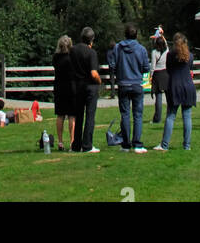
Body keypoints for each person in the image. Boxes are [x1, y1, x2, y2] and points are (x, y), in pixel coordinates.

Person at [154, 33, 197, 151]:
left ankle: (164, 144)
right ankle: (187, 145)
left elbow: (168, 69)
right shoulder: (190, 56)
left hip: (175, 86)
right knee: (187, 116)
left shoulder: (170, 55)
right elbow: (190, 68)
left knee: (171, 115)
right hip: (188, 86)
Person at [110, 24, 150, 153]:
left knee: (125, 115)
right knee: (138, 115)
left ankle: (126, 144)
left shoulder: (117, 48)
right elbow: (146, 68)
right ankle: (137, 143)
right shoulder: (141, 49)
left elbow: (112, 65)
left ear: (125, 34)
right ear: (136, 35)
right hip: (136, 83)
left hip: (123, 84)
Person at [70, 26, 101, 153]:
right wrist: (100, 81)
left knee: (79, 116)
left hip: (77, 86)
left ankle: (76, 145)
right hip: (89, 86)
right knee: (90, 116)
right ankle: (87, 145)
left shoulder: (73, 50)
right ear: (91, 40)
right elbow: (94, 73)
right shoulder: (91, 52)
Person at [52, 35, 77, 152]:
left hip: (59, 87)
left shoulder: (56, 58)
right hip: (71, 87)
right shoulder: (72, 57)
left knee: (60, 115)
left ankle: (60, 141)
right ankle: (72, 142)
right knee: (72, 115)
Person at [149, 31, 169, 125]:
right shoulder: (167, 51)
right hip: (165, 73)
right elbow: (166, 44)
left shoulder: (154, 52)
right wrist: (162, 36)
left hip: (157, 74)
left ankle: (157, 117)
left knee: (159, 98)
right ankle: (170, 115)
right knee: (168, 97)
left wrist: (151, 76)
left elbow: (153, 66)